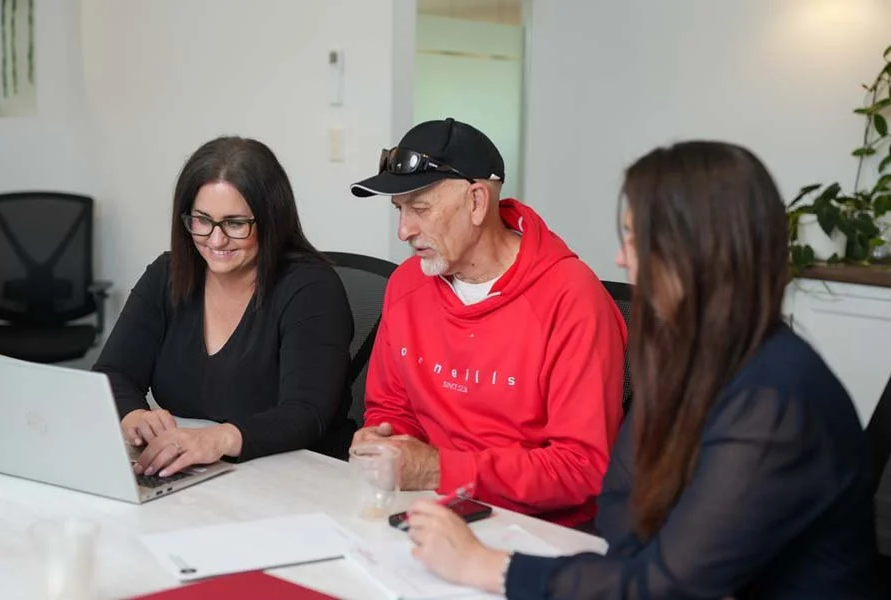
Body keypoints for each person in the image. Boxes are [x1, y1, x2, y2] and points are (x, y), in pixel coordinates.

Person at [402, 141, 882, 599]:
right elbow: (621, 501)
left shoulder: (775, 396)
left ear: (698, 249)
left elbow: (669, 586)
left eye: (636, 237)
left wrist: (487, 566)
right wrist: (666, 572)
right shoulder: (689, 353)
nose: (620, 256)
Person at [348, 118, 626, 527]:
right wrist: (383, 442)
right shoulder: (407, 284)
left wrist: (441, 468)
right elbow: (391, 407)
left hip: (539, 529)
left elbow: (581, 467)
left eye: (420, 209)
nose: (404, 230)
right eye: (399, 210)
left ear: (477, 202)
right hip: (427, 510)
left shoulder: (572, 298)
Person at [93, 136, 354, 478]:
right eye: (202, 220)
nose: (216, 240)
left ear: (271, 220)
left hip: (294, 478)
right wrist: (135, 416)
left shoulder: (311, 288)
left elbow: (306, 413)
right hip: (201, 476)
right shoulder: (168, 275)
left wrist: (218, 440)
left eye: (235, 224)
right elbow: (113, 374)